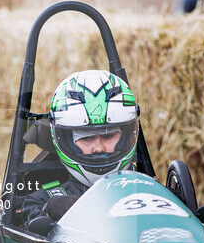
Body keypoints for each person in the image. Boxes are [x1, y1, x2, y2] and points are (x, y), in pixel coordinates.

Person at [22, 70, 139, 234]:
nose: (98, 148)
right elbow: (33, 227)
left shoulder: (146, 190)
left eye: (108, 136)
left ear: (127, 135)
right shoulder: (41, 200)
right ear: (66, 140)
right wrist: (48, 210)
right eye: (87, 138)